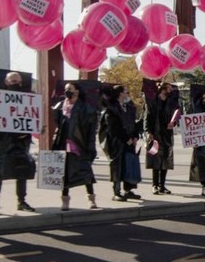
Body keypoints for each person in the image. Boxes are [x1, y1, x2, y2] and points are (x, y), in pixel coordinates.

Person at [0, 72, 36, 215]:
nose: (16, 83)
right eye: (13, 81)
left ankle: (21, 201)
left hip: (21, 142)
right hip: (3, 142)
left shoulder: (28, 97)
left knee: (22, 172)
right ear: (6, 82)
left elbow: (34, 116)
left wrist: (35, 128)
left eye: (18, 81)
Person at [52, 81, 98, 210]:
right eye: (66, 89)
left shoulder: (85, 107)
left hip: (79, 144)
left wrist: (90, 146)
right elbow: (58, 124)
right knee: (65, 174)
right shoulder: (60, 106)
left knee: (86, 172)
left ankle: (91, 199)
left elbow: (91, 128)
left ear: (77, 91)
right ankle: (65, 201)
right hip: (63, 143)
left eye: (70, 89)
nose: (67, 91)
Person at [104, 85, 142, 202]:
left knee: (129, 164)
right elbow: (113, 127)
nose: (128, 93)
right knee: (118, 165)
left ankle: (128, 189)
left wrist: (135, 136)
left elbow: (133, 123)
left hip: (130, 140)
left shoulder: (129, 106)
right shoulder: (112, 108)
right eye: (126, 91)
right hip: (118, 141)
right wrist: (125, 138)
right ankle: (116, 191)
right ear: (120, 93)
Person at [145, 82, 177, 195]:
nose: (171, 91)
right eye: (169, 88)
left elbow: (176, 115)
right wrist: (148, 131)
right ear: (163, 89)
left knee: (165, 160)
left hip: (167, 134)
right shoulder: (153, 102)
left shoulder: (171, 102)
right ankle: (155, 185)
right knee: (155, 160)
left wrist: (174, 123)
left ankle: (162, 185)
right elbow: (147, 116)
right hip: (155, 134)